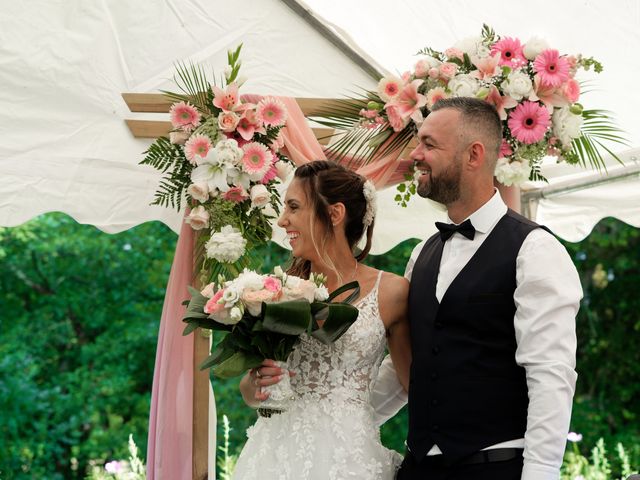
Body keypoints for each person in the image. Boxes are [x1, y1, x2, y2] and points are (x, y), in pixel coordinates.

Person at [395, 97, 582, 480]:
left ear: (474, 155)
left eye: (429, 144)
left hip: (495, 469)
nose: (415, 154)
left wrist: (541, 474)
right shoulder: (420, 255)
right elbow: (409, 363)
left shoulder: (535, 250)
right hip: (417, 469)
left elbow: (551, 375)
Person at [232, 160, 411, 480]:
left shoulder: (392, 292)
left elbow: (414, 384)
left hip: (349, 460)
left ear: (334, 213)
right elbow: (248, 388)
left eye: (294, 207)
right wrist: (257, 382)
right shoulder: (275, 291)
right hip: (274, 457)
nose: (283, 219)